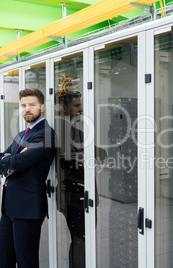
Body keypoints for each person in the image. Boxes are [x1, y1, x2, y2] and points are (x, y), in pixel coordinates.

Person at [0, 88, 56, 268]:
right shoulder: (22, 134)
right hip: (9, 206)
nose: (27, 109)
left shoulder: (46, 134)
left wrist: (11, 161)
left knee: (26, 261)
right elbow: (0, 160)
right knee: (3, 256)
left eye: (32, 105)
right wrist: (10, 161)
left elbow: (19, 162)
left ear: (42, 107)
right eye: (23, 105)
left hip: (28, 207)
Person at [55, 85, 106, 268]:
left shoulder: (72, 130)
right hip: (77, 198)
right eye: (76, 105)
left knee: (80, 239)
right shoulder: (63, 131)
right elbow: (95, 155)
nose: (81, 109)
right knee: (81, 239)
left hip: (77, 195)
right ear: (63, 106)